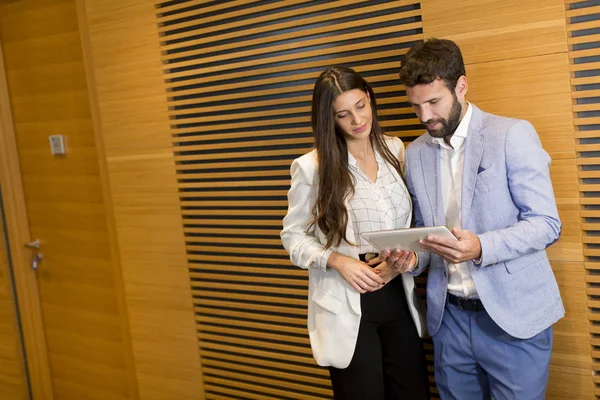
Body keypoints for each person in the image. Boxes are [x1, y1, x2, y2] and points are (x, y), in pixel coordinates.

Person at [392, 38, 564, 399]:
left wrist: (481, 246)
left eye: (434, 102)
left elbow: (547, 223)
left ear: (461, 85)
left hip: (514, 319)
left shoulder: (512, 134)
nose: (425, 116)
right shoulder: (417, 152)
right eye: (416, 105)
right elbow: (424, 232)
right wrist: (411, 259)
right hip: (449, 320)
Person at [280, 66, 429, 400]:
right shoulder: (312, 167)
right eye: (343, 114)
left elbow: (416, 224)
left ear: (370, 99)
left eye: (361, 106)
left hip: (398, 293)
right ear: (329, 119)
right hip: (347, 300)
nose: (357, 120)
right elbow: (292, 236)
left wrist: (404, 260)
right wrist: (336, 261)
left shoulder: (396, 150)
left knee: (413, 392)